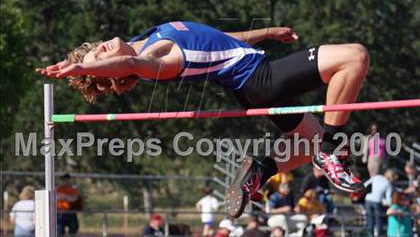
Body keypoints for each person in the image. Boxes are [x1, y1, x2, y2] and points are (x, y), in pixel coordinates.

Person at [36, 21, 370, 218]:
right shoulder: (155, 61)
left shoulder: (151, 37)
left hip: (252, 80)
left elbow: (219, 40)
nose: (104, 46)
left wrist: (267, 32)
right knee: (354, 57)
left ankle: (259, 171)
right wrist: (85, 69)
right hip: (259, 78)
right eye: (101, 55)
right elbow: (128, 66)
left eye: (97, 46)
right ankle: (332, 151)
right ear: (114, 71)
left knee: (305, 141)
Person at [364, 169, 395, 236]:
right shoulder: (388, 184)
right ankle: (378, 234)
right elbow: (388, 199)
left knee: (369, 218)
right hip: (377, 201)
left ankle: (369, 234)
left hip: (368, 199)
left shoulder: (376, 177)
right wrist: (391, 205)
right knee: (379, 219)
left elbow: (365, 184)